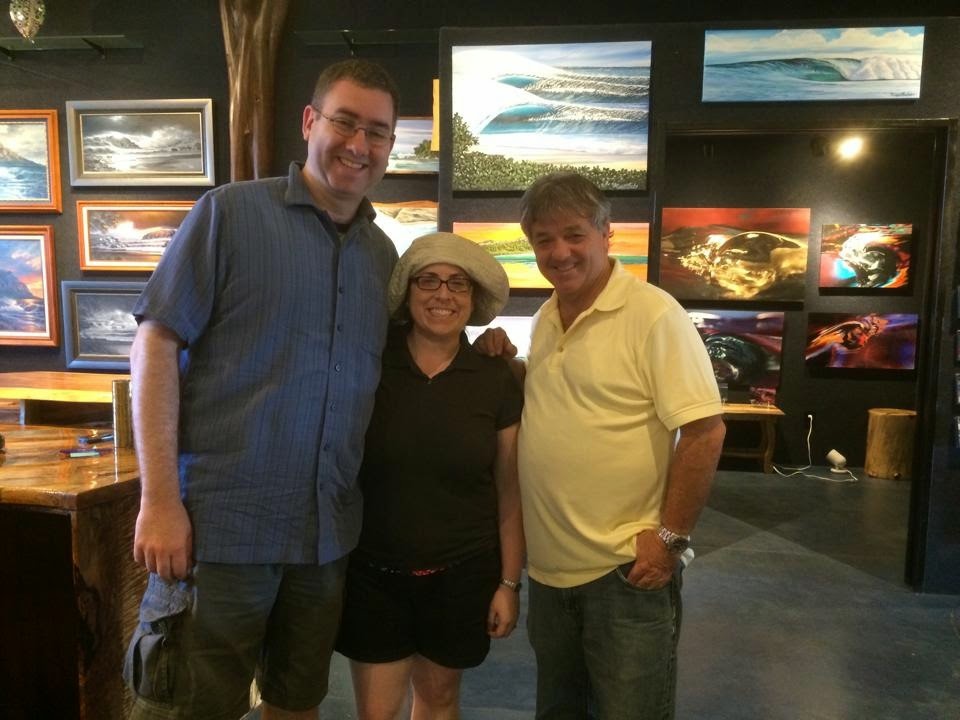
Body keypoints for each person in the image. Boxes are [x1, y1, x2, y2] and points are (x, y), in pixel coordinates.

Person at [123, 59, 400, 720]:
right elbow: (156, 344)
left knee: (295, 705)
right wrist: (158, 500)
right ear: (309, 122)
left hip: (324, 541)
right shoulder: (230, 215)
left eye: (377, 132)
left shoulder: (382, 257)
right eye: (344, 122)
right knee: (185, 710)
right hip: (219, 536)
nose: (359, 145)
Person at [483, 172, 726, 719]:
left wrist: (669, 539)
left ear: (605, 232)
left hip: (625, 574)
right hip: (549, 577)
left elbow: (705, 431)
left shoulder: (653, 314)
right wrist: (503, 361)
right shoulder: (547, 317)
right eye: (544, 239)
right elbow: (559, 391)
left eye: (574, 235)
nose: (559, 252)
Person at [335, 232, 524, 720]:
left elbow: (509, 492)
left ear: (474, 298)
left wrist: (509, 583)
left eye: (458, 283)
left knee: (439, 703)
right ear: (407, 292)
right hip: (373, 573)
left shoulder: (495, 377)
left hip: (461, 574)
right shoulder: (371, 363)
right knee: (377, 713)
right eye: (429, 281)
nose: (444, 294)